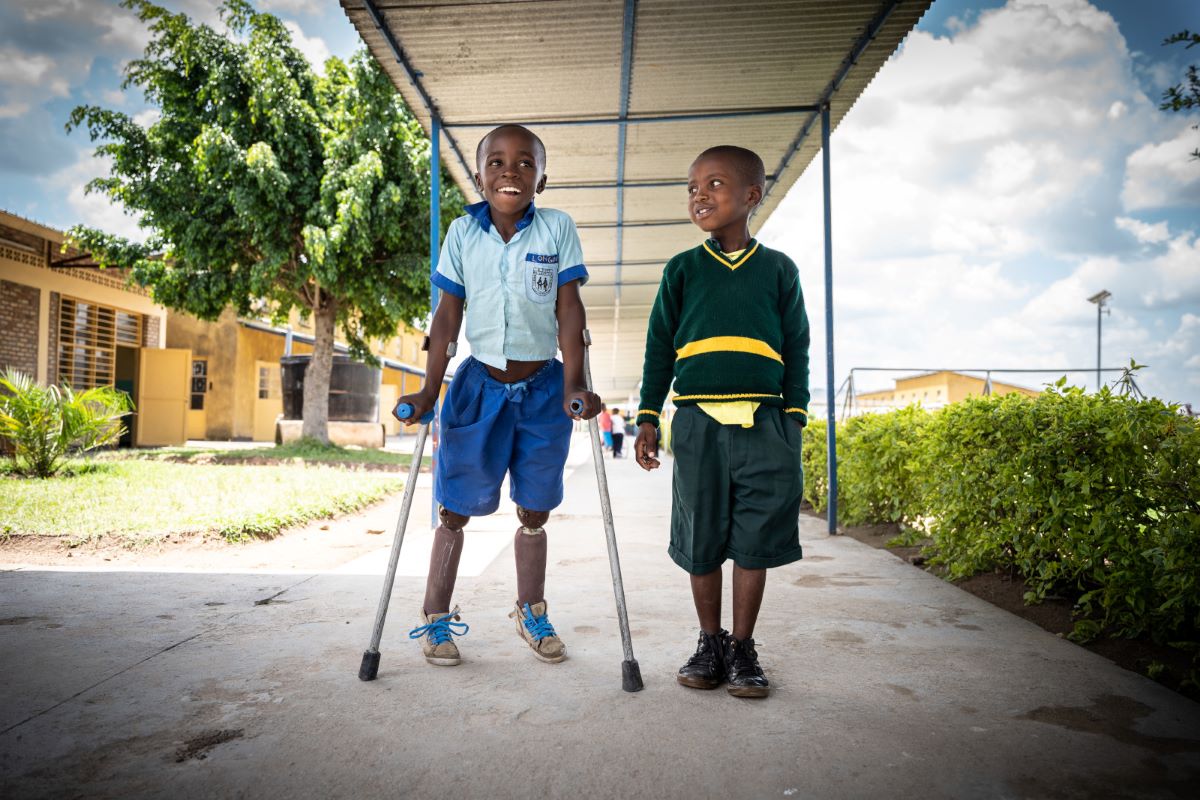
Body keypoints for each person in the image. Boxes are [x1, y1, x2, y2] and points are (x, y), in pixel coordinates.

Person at [396, 124, 600, 667]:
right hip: (477, 388)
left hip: (542, 391)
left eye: (525, 163)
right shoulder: (462, 234)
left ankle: (530, 610)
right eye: (497, 163)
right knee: (455, 508)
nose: (511, 171)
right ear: (480, 176)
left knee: (535, 509)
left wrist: (576, 383)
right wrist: (426, 389)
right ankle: (435, 617)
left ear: (542, 178)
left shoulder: (556, 229)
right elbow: (445, 318)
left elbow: (569, 309)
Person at [633, 145, 810, 698]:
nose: (699, 195)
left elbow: (799, 345)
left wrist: (795, 415)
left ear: (752, 195)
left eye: (714, 184)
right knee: (701, 535)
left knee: (755, 540)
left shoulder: (779, 269)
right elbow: (659, 346)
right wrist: (647, 416)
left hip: (765, 422)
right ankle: (709, 643)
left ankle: (742, 648)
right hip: (697, 425)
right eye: (692, 187)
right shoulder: (682, 270)